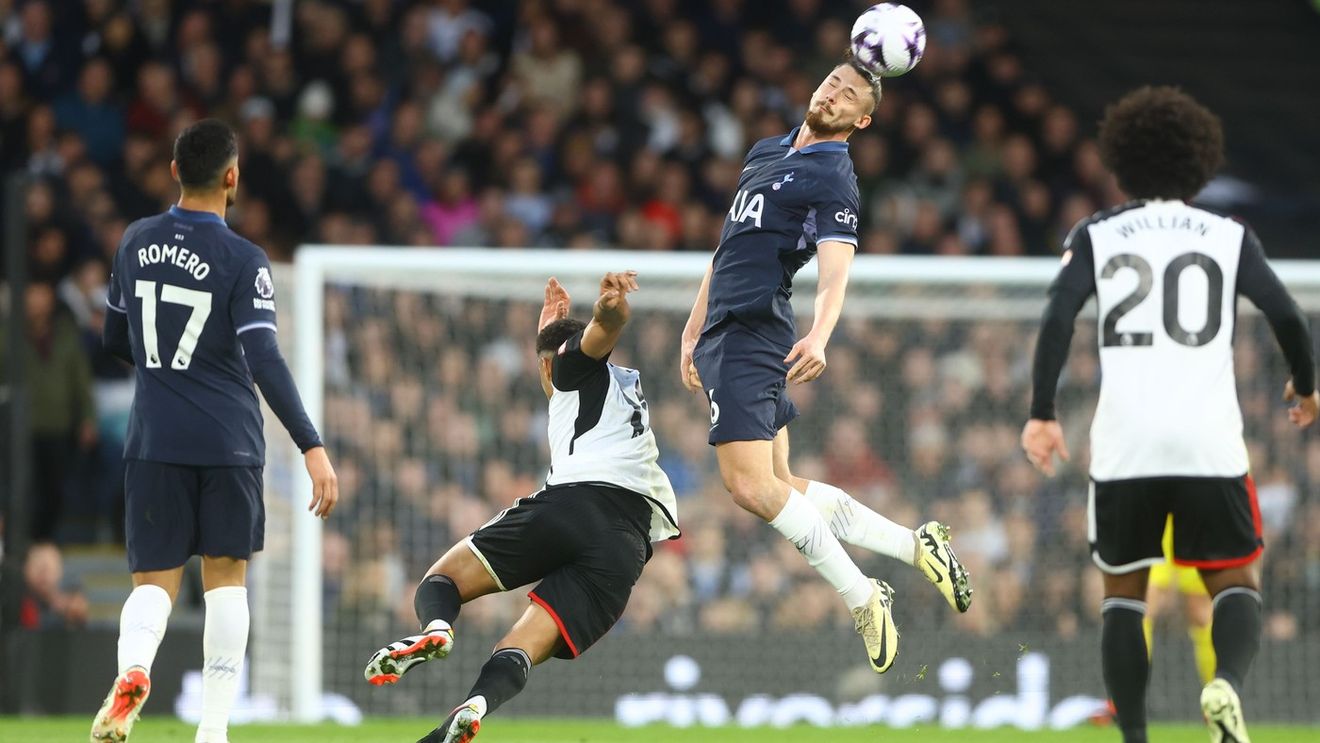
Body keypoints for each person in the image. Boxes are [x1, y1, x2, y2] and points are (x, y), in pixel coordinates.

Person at [1021, 86, 1317, 743]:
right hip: (1208, 440)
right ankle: (1226, 689)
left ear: (1120, 163)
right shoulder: (1228, 234)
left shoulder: (1097, 233)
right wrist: (1305, 382)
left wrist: (1042, 411)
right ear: (1201, 163)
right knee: (1236, 580)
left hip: (1125, 442)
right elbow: (1288, 314)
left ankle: (1135, 737)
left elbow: (1057, 317)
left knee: (1123, 596)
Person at [679, 53, 972, 675]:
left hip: (754, 332)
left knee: (748, 487)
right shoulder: (766, 149)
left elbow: (836, 271)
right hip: (725, 329)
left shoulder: (833, 174)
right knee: (781, 483)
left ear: (860, 122)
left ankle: (863, 595)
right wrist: (690, 328)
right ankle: (915, 547)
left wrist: (820, 335)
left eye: (849, 97)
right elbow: (727, 246)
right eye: (831, 83)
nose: (834, 94)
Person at [92, 119, 339, 743]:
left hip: (153, 442)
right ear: (232, 177)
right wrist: (311, 444)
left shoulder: (134, 241)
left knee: (153, 582)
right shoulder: (242, 258)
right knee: (226, 581)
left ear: (174, 170)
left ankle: (134, 671)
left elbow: (115, 338)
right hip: (228, 442)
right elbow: (264, 360)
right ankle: (213, 730)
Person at [363, 272, 679, 743]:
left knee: (442, 580)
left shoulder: (575, 369)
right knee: (522, 648)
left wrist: (608, 310)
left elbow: (597, 338)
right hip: (625, 548)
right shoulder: (619, 392)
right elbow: (562, 366)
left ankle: (438, 628)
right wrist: (548, 333)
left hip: (576, 502)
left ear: (549, 365)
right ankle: (475, 706)